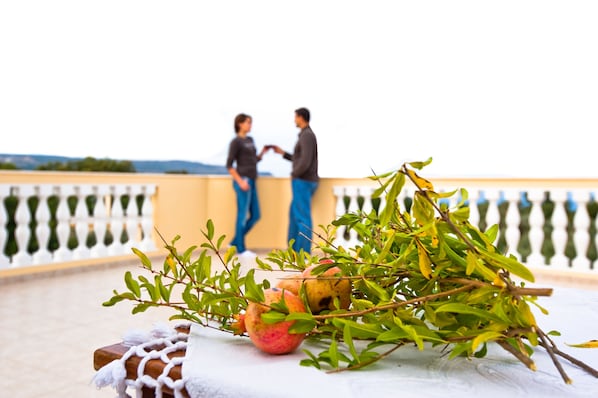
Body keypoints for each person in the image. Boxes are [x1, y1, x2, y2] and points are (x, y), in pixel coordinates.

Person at [272, 107, 319, 254]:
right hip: (302, 180)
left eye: (295, 117)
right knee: (294, 215)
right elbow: (299, 158)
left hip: (303, 181)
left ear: (301, 117)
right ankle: (293, 251)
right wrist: (283, 153)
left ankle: (304, 253)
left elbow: (304, 161)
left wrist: (294, 174)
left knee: (302, 217)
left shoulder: (307, 136)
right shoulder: (305, 135)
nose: (294, 120)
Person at [226, 113, 269, 256]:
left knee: (256, 215)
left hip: (253, 181)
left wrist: (263, 152)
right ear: (240, 124)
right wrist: (240, 181)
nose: (250, 125)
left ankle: (234, 242)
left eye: (251, 122)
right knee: (242, 215)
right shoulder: (236, 142)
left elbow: (253, 160)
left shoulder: (250, 139)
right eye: (248, 122)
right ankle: (240, 249)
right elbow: (229, 165)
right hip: (243, 181)